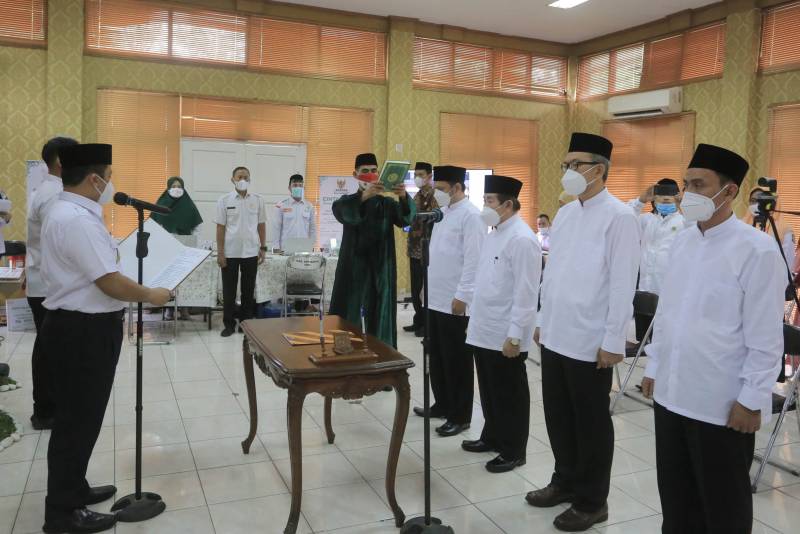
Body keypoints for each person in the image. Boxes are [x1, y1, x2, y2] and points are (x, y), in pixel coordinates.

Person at [639, 144, 785, 534]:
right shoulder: (683, 242)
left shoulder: (756, 250)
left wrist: (751, 398)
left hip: (720, 403)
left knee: (723, 507)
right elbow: (667, 313)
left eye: (699, 185)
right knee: (677, 498)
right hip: (672, 393)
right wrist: (655, 364)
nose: (688, 193)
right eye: (686, 184)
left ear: (730, 191)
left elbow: (766, 336)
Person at [39, 143, 171, 533]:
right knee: (77, 422)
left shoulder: (67, 211)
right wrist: (151, 295)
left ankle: (74, 489)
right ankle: (62, 513)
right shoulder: (76, 220)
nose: (112, 184)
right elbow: (109, 282)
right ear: (95, 179)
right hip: (82, 332)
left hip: (75, 327)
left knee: (79, 418)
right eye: (109, 176)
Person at [529, 132, 640, 532]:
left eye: (576, 164)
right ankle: (565, 481)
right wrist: (541, 319)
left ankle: (593, 501)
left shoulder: (620, 217)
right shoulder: (566, 213)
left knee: (590, 422)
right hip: (557, 331)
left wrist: (613, 340)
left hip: (591, 339)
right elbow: (553, 271)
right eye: (566, 164)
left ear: (599, 170)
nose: (568, 171)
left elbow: (623, 284)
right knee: (558, 415)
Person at [461, 175, 540, 473]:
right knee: (490, 389)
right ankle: (492, 436)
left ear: (508, 204)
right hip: (485, 326)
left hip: (506, 332)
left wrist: (516, 335)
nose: (485, 206)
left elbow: (526, 293)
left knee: (510, 394)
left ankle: (513, 450)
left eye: (489, 201)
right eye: (484, 200)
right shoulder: (494, 234)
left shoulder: (522, 239)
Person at [411, 165, 485, 437]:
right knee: (437, 357)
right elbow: (435, 252)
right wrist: (424, 287)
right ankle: (442, 403)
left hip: (455, 300)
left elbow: (474, 259)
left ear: (456, 188)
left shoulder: (472, 216)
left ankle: (460, 415)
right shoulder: (441, 213)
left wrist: (463, 295)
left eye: (442, 189)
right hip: (435, 296)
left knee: (457, 361)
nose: (437, 193)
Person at [329, 153, 416, 348]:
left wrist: (403, 196)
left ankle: (382, 353)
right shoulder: (347, 201)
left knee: (380, 315)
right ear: (355, 174)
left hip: (381, 271)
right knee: (350, 314)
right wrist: (365, 196)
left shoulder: (386, 204)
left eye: (374, 170)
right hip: (354, 270)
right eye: (365, 171)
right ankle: (347, 353)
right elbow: (343, 213)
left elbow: (407, 219)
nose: (370, 174)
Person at [26, 136, 78, 430]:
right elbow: (60, 243)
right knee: (49, 349)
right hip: (49, 285)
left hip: (45, 282)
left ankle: (48, 406)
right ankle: (45, 410)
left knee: (48, 347)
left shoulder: (51, 190)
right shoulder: (55, 195)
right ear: (60, 162)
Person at [215, 166, 267, 337]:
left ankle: (245, 324)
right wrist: (220, 253)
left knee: (248, 290)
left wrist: (263, 247)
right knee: (229, 291)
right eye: (240, 177)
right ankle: (228, 324)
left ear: (250, 179)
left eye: (246, 177)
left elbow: (261, 225)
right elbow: (220, 228)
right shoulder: (224, 200)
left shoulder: (258, 200)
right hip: (230, 252)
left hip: (251, 252)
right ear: (233, 180)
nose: (243, 180)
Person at [150, 176, 204, 320]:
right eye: (173, 186)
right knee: (168, 280)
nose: (176, 189)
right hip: (165, 249)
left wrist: (194, 244)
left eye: (179, 186)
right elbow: (153, 226)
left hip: (185, 248)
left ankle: (184, 310)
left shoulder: (189, 205)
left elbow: (198, 227)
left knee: (184, 280)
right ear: (168, 188)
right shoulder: (161, 204)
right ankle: (168, 309)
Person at [628, 178, 686, 294]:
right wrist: (641, 201)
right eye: (661, 193)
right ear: (654, 199)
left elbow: (698, 232)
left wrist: (684, 206)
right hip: (644, 288)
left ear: (678, 197)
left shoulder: (685, 222)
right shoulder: (645, 220)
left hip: (672, 290)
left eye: (670, 194)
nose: (666, 198)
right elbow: (625, 219)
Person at [403, 162, 437, 337]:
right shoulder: (418, 194)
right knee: (416, 288)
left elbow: (434, 222)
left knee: (426, 290)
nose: (417, 178)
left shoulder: (434, 195)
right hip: (415, 249)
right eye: (415, 174)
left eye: (421, 174)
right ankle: (418, 321)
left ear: (429, 176)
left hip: (427, 250)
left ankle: (427, 325)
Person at [744, 186, 795, 271]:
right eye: (752, 200)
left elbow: (787, 263)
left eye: (760, 200)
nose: (756, 204)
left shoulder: (785, 229)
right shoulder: (742, 223)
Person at [270, 174, 316, 252]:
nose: (298, 187)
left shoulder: (309, 206)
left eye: (300, 185)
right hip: (286, 249)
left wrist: (311, 246)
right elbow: (276, 228)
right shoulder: (281, 205)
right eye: (295, 185)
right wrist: (276, 247)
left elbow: (312, 228)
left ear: (303, 188)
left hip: (304, 249)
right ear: (289, 188)